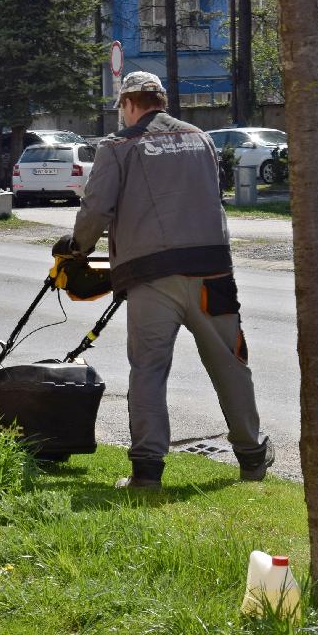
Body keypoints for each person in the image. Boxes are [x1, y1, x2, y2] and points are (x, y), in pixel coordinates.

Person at [59, 71, 272, 490]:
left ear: (128, 104)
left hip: (151, 276)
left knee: (149, 371)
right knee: (230, 365)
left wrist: (77, 248)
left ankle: (146, 474)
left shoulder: (118, 146)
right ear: (161, 101)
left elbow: (97, 209)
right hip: (212, 272)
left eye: (120, 107)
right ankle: (251, 460)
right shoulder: (202, 139)